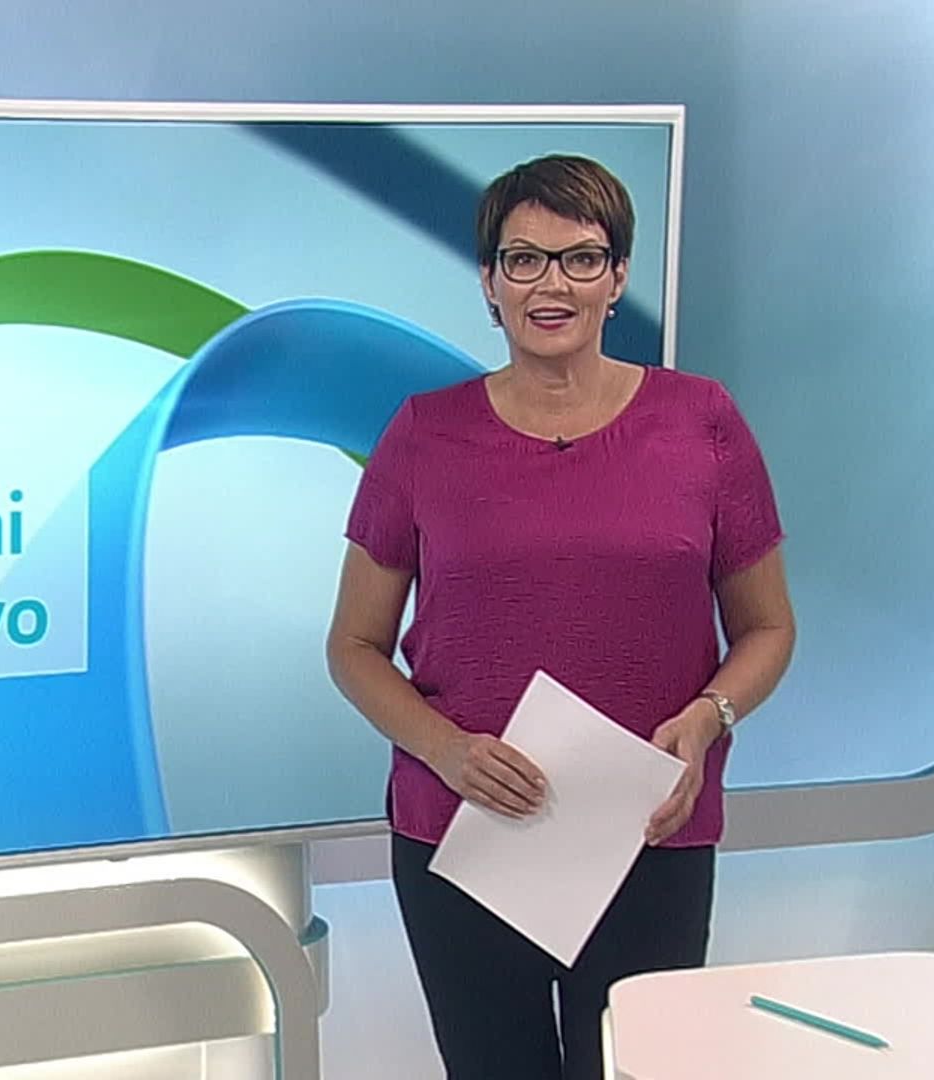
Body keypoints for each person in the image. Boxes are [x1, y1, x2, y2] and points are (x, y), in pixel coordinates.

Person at [326, 154, 796, 1080]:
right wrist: (447, 749)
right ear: (489, 283)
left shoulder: (702, 422)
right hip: (466, 833)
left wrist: (708, 720)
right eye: (524, 259)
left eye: (580, 258)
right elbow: (353, 645)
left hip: (648, 832)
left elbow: (768, 629)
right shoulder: (423, 433)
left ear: (617, 278)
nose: (552, 285)